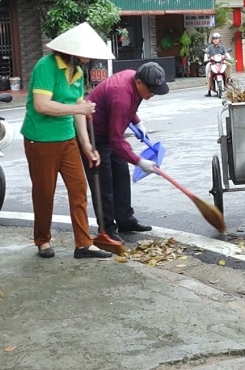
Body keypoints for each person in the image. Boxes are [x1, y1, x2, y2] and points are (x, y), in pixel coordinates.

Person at [22, 23, 113, 260]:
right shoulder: (46, 66)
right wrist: (77, 107)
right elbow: (42, 105)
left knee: (79, 188)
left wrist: (86, 144)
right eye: (85, 52)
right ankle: (42, 240)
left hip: (67, 138)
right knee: (44, 192)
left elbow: (78, 112)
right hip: (40, 138)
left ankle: (83, 244)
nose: (88, 58)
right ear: (72, 51)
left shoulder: (78, 72)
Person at [86, 62, 168, 239]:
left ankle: (125, 219)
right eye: (151, 90)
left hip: (110, 128)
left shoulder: (134, 78)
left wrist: (137, 122)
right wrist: (139, 161)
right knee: (103, 182)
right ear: (139, 82)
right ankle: (106, 229)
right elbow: (115, 139)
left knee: (121, 174)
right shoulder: (121, 96)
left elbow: (131, 106)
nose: (153, 94)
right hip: (93, 133)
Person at [203, 32, 232, 97]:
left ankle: (229, 79)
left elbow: (226, 53)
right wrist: (206, 58)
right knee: (207, 68)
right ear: (212, 40)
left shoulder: (222, 47)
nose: (215, 40)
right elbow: (206, 54)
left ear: (219, 40)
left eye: (217, 39)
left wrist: (229, 58)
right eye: (214, 39)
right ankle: (208, 89)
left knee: (229, 65)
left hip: (221, 62)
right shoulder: (210, 47)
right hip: (212, 62)